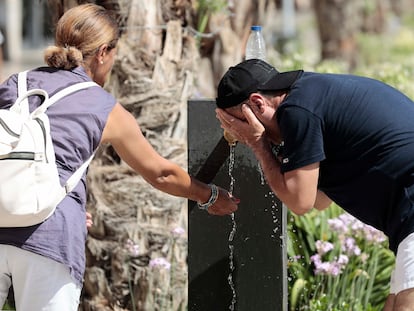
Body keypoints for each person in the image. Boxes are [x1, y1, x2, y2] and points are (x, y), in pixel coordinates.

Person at [0, 4, 238, 311]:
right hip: (49, 239)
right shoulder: (102, 106)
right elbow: (160, 173)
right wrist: (209, 195)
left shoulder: (14, 84)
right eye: (114, 53)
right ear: (102, 52)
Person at [215, 58, 414, 311]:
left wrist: (258, 144)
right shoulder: (311, 95)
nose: (238, 133)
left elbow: (300, 202)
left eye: (238, 123)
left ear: (257, 103)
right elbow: (320, 200)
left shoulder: (297, 112)